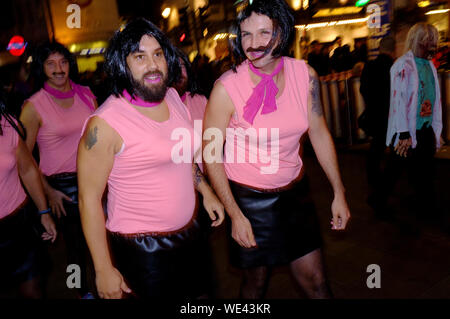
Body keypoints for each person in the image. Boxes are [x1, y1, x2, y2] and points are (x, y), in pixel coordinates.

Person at [203, 0, 350, 299]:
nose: (253, 43)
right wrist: (235, 214)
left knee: (317, 282)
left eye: (263, 33)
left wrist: (339, 192)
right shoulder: (226, 87)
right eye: (246, 35)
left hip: (295, 195)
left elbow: (319, 132)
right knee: (255, 286)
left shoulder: (304, 75)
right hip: (249, 201)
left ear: (282, 33)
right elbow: (210, 154)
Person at [77, 18, 224, 299]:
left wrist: (206, 191)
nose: (152, 65)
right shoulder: (104, 124)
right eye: (140, 57)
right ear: (123, 64)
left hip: (189, 234)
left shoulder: (171, 97)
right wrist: (103, 268)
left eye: (157, 54)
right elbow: (89, 200)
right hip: (142, 251)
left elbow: (181, 155)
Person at [19, 42, 97, 298]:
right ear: (42, 69)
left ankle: (105, 287)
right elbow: (24, 159)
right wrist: (49, 191)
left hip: (94, 180)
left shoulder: (86, 93)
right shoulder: (33, 106)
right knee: (74, 249)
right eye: (51, 64)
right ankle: (80, 293)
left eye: (63, 62)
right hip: (61, 188)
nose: (58, 69)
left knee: (101, 239)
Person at [0, 93, 57, 298]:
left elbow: (28, 170)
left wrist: (44, 211)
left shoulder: (7, 124)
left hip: (18, 228)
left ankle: (77, 284)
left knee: (33, 291)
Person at [384, 23, 443, 219]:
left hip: (424, 128)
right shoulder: (403, 65)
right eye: (427, 41)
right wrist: (403, 132)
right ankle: (379, 200)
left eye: (433, 41)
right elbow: (398, 101)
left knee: (423, 169)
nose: (431, 46)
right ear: (417, 42)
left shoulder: (429, 65)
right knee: (395, 169)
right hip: (408, 129)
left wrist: (437, 130)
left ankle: (426, 204)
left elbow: (433, 98)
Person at [359, 36, 395, 217]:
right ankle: (380, 193)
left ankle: (374, 183)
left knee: (375, 151)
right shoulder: (394, 68)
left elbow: (363, 90)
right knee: (396, 157)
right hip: (391, 118)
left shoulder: (369, 67)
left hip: (375, 117)